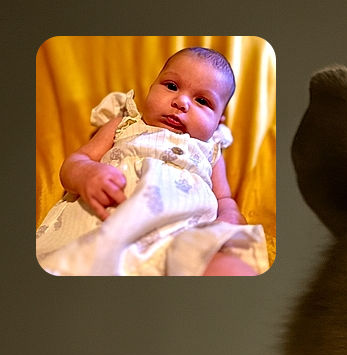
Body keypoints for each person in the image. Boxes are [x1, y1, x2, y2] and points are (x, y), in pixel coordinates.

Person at [35, 47, 268, 276]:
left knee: (229, 269)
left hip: (184, 237)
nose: (181, 102)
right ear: (150, 89)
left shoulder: (210, 150)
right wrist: (86, 173)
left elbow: (224, 198)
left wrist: (230, 217)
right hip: (108, 224)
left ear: (218, 121)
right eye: (171, 86)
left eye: (202, 101)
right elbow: (76, 161)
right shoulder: (124, 125)